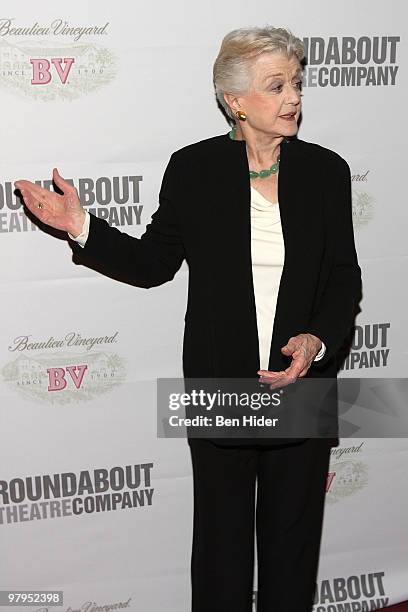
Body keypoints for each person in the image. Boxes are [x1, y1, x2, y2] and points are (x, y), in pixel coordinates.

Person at [15, 26, 361, 612]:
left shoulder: (327, 171)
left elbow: (344, 278)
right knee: (222, 555)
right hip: (219, 384)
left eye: (296, 84)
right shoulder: (193, 170)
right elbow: (152, 264)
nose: (293, 98)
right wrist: (82, 227)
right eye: (276, 86)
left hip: (302, 384)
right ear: (235, 100)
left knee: (293, 551)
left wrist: (316, 340)